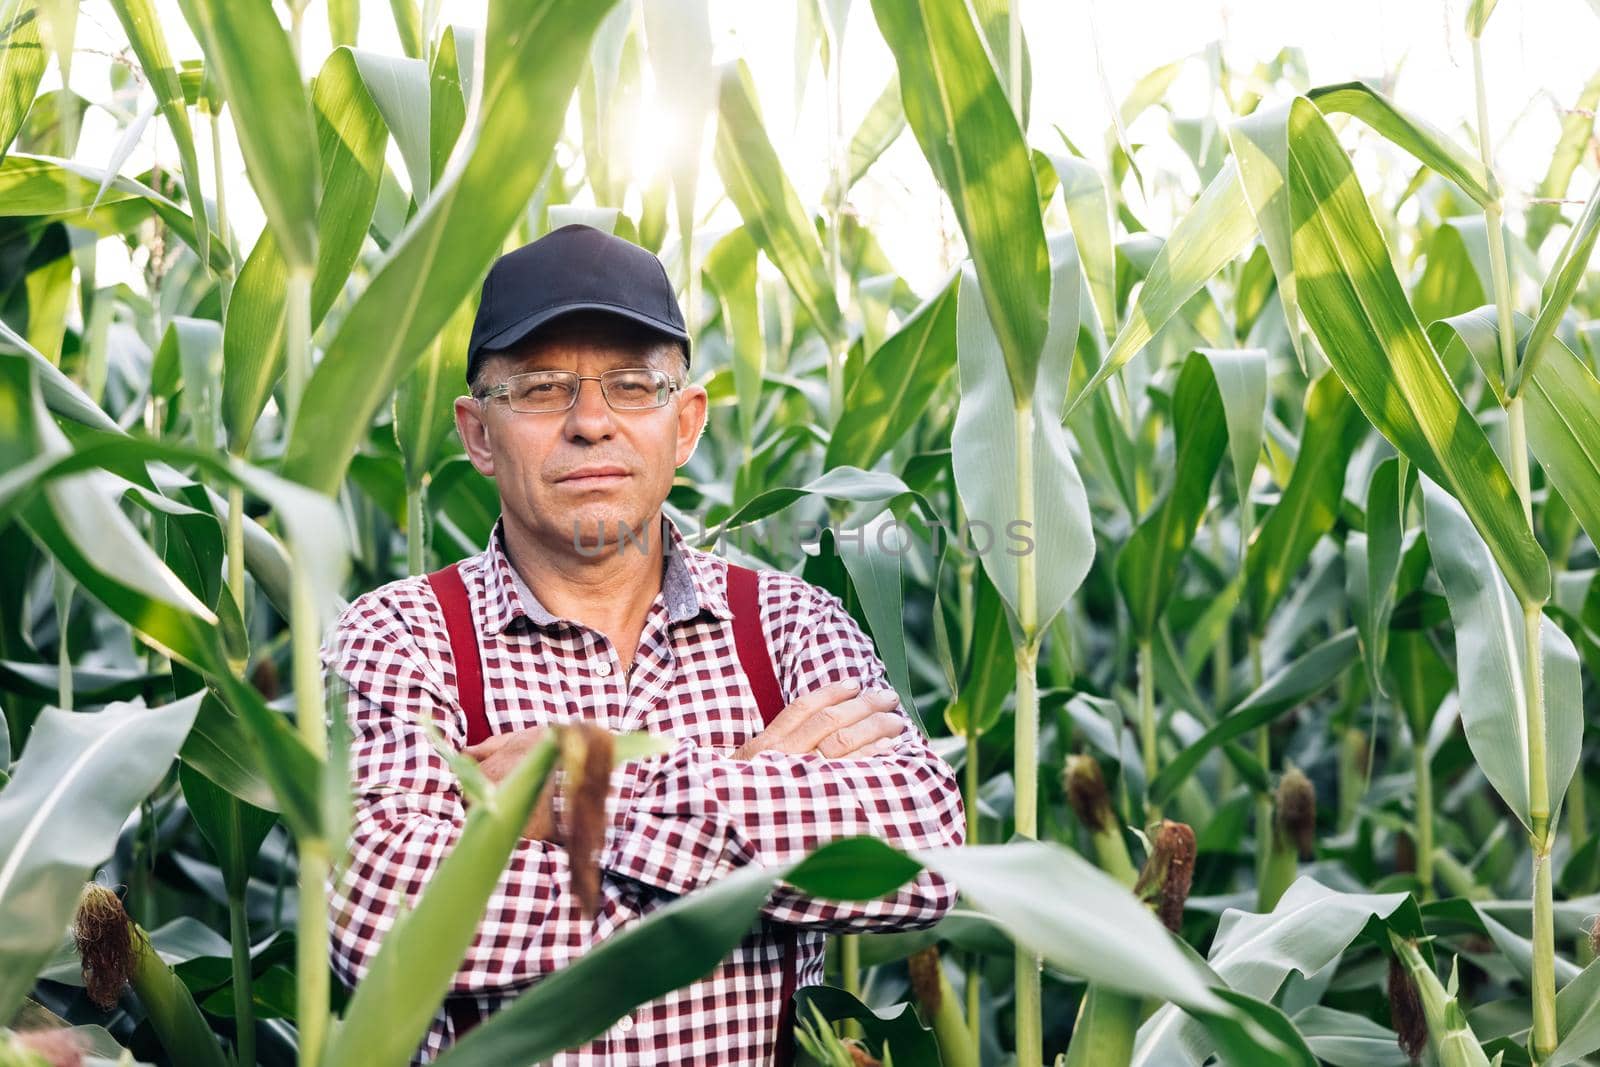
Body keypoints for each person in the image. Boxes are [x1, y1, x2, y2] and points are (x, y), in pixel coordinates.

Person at [319, 223, 966, 1065]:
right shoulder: (399, 639)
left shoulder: (790, 624)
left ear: (686, 423)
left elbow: (923, 849)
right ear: (478, 432)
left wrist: (581, 793)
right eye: (544, 388)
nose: (591, 422)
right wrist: (760, 802)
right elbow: (386, 923)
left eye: (631, 386)